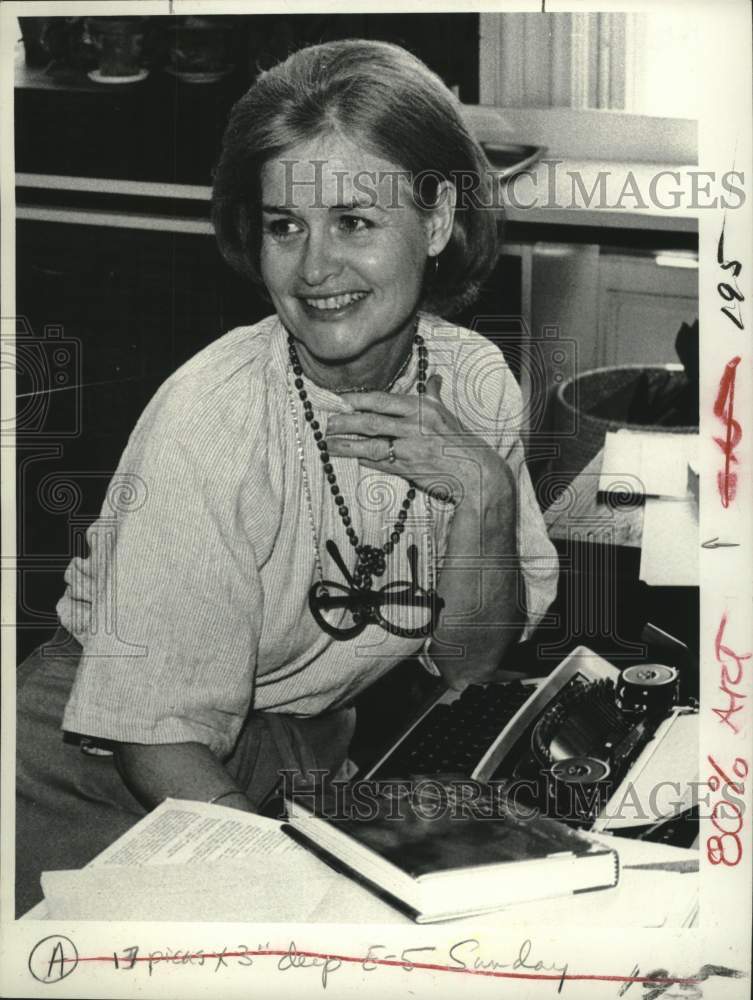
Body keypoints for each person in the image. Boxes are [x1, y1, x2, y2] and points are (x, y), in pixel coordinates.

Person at [16, 38, 558, 915]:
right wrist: (277, 874)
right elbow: (153, 735)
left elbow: (469, 658)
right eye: (284, 226)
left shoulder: (474, 379)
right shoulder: (213, 416)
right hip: (98, 770)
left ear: (435, 219)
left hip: (291, 746)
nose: (313, 269)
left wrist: (485, 495)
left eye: (354, 220)